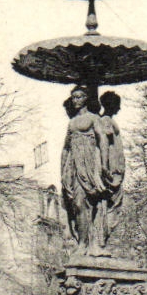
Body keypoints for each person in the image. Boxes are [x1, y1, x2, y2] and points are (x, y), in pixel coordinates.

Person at [59, 85, 108, 250]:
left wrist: (103, 165)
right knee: (78, 204)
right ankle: (83, 242)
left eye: (79, 97)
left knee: (90, 204)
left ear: (86, 98)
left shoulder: (93, 118)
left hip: (89, 165)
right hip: (74, 166)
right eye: (73, 97)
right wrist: (62, 172)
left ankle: (91, 243)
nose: (76, 100)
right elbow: (66, 148)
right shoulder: (71, 123)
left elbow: (103, 141)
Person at [96, 91, 127, 251]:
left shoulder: (106, 120)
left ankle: (101, 240)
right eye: (117, 104)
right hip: (112, 173)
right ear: (111, 105)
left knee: (111, 208)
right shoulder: (106, 121)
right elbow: (105, 144)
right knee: (111, 208)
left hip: (114, 172)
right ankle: (101, 240)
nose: (119, 108)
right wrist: (105, 167)